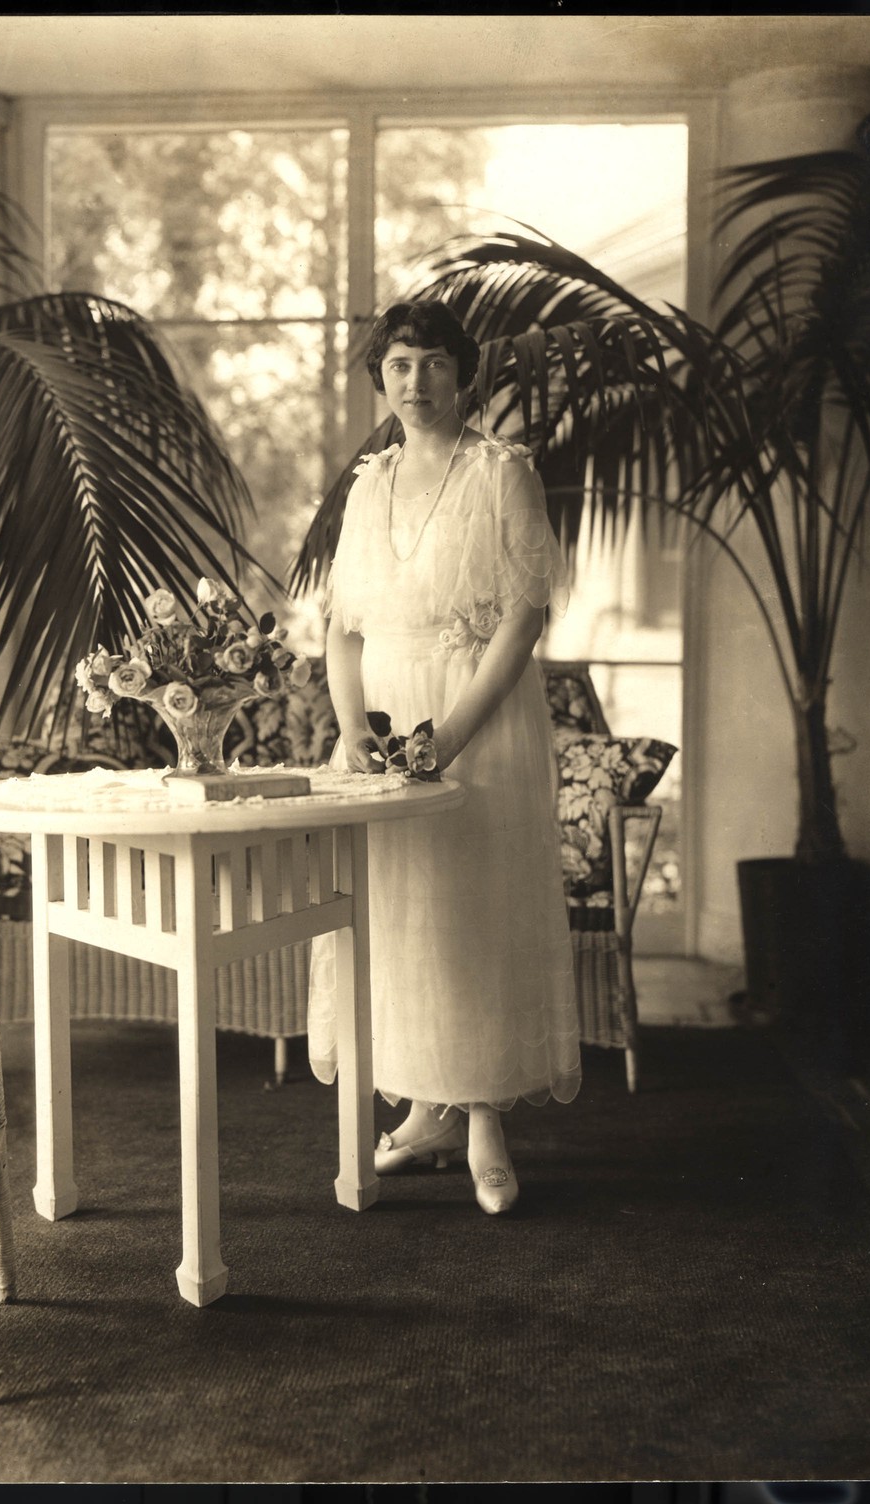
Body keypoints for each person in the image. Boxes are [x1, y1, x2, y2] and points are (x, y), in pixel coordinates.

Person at [307, 299, 581, 1215]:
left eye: (430, 364)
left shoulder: (501, 472)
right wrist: (353, 729)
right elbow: (342, 629)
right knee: (403, 914)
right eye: (396, 366)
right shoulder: (367, 482)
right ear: (378, 380)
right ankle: (424, 1112)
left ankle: (484, 1123)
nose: (413, 383)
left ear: (462, 374)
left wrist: (456, 731)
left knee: (474, 908)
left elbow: (525, 615)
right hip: (383, 726)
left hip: (477, 718)